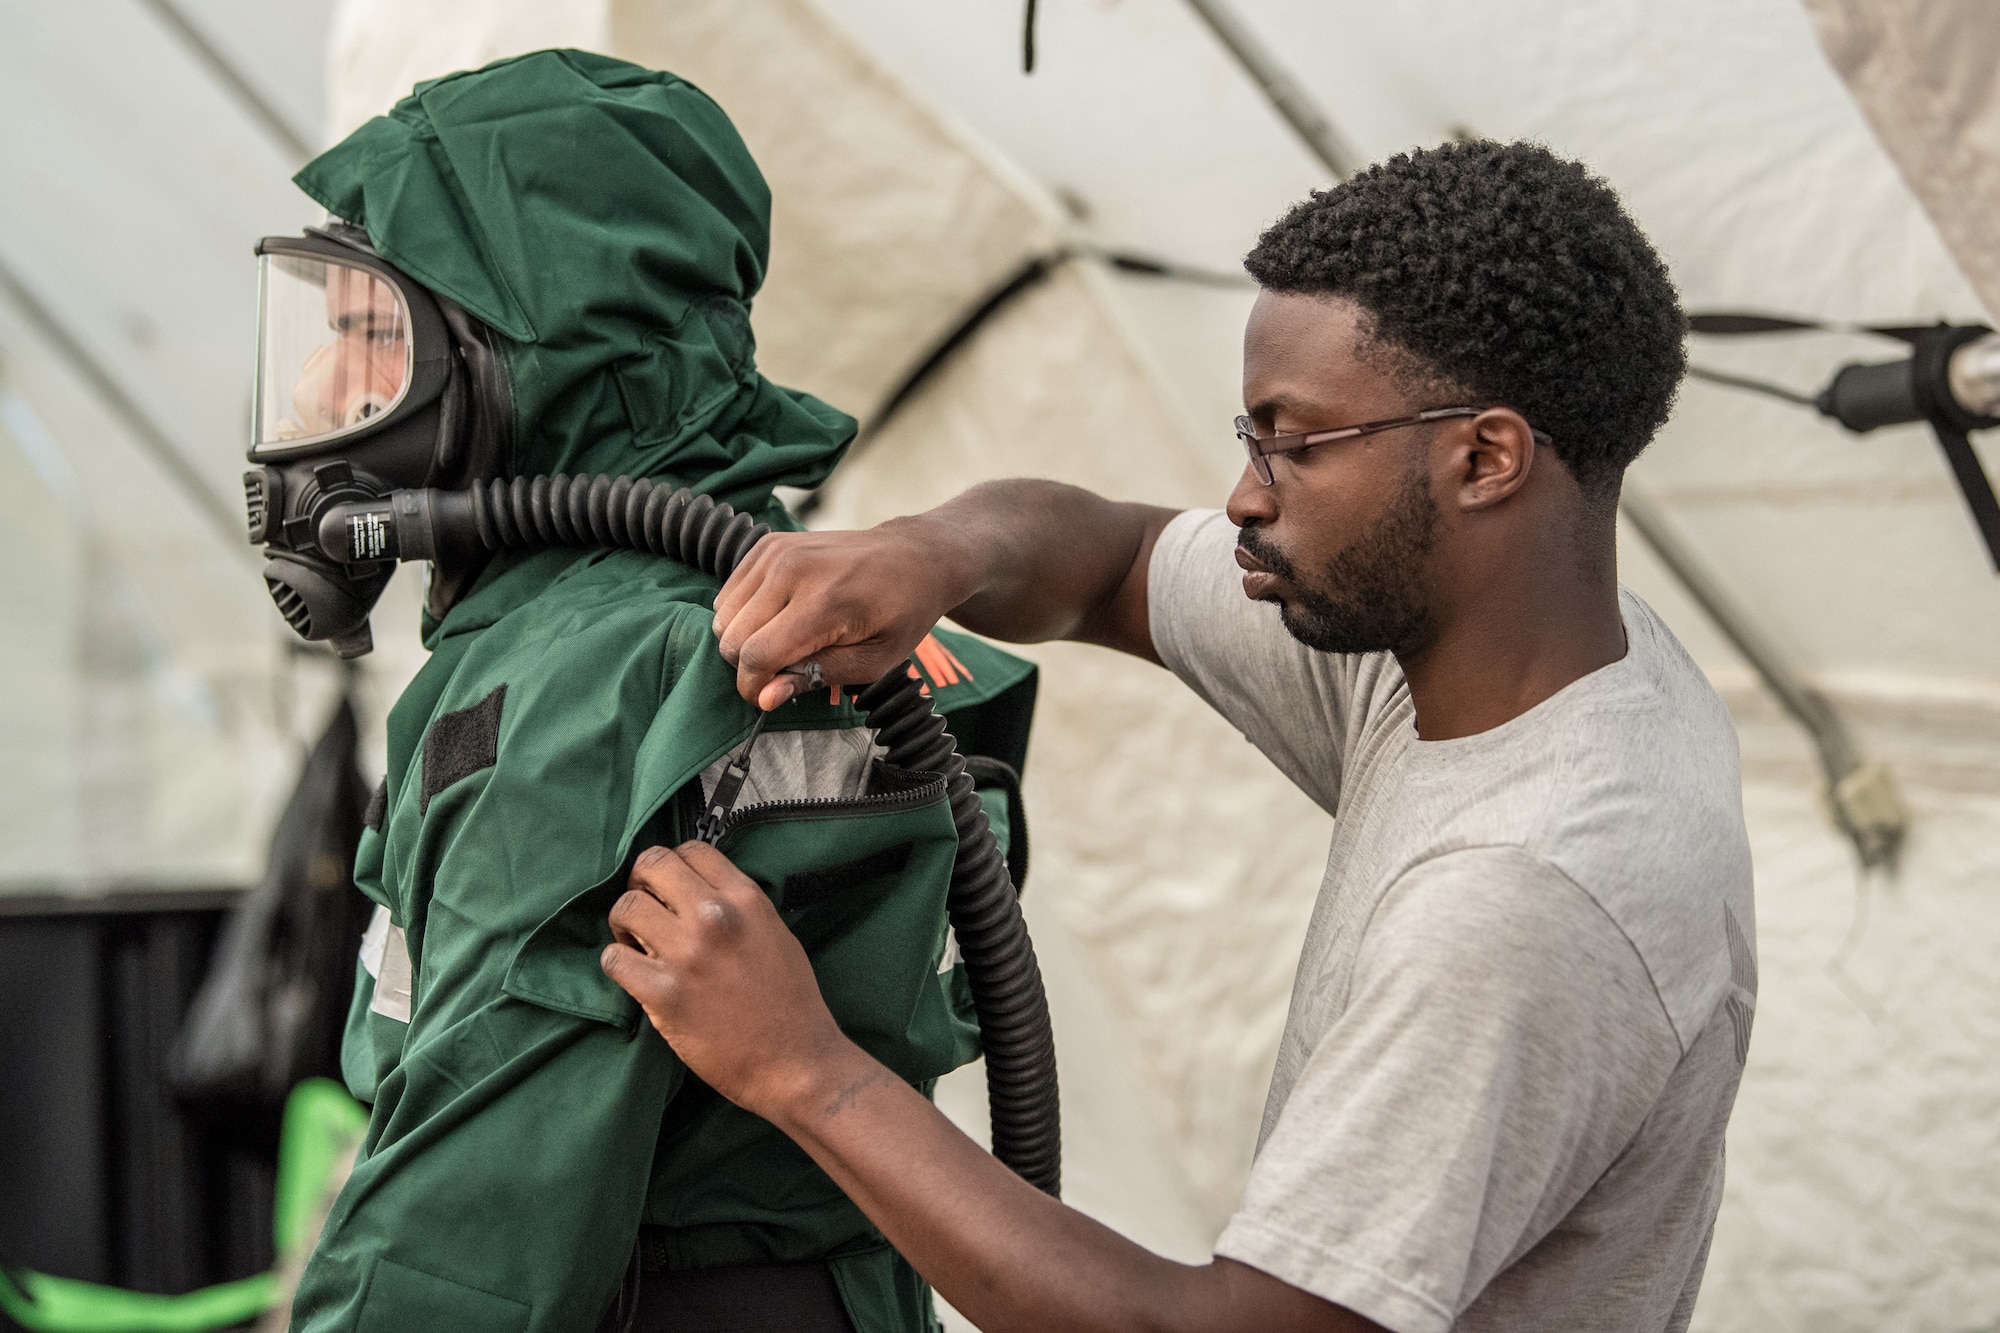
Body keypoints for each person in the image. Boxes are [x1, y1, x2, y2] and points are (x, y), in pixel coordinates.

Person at [598, 139, 1759, 1332]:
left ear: (1483, 457)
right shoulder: (1532, 649)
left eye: (1293, 441)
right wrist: (928, 553)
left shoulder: (1523, 901)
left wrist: (801, 1068)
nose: (1247, 494)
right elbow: (1115, 558)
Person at [274, 50, 1040, 1333]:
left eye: (363, 334)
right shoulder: (735, 602)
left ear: (526, 348)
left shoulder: (597, 681)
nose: (312, 397)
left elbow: (467, 1237)